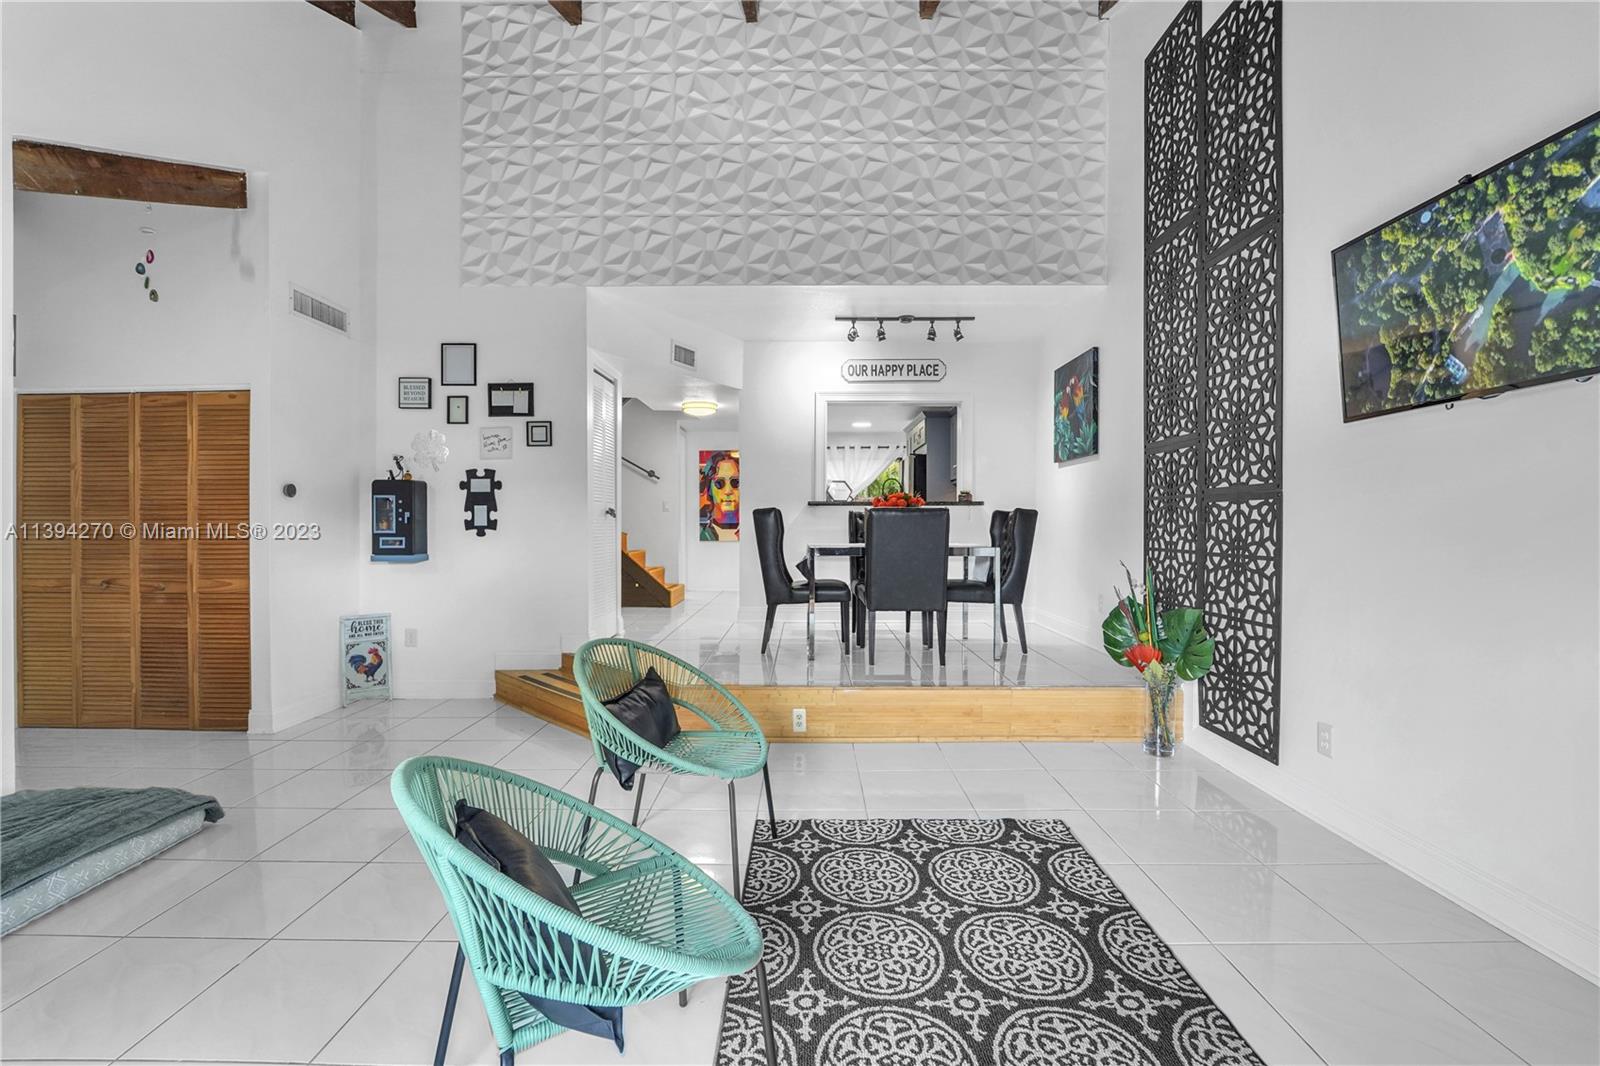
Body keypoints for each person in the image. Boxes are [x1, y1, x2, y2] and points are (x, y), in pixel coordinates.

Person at [699, 450, 740, 541]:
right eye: (719, 483)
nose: (728, 491)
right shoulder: (699, 533)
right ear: (709, 489)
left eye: (735, 482)